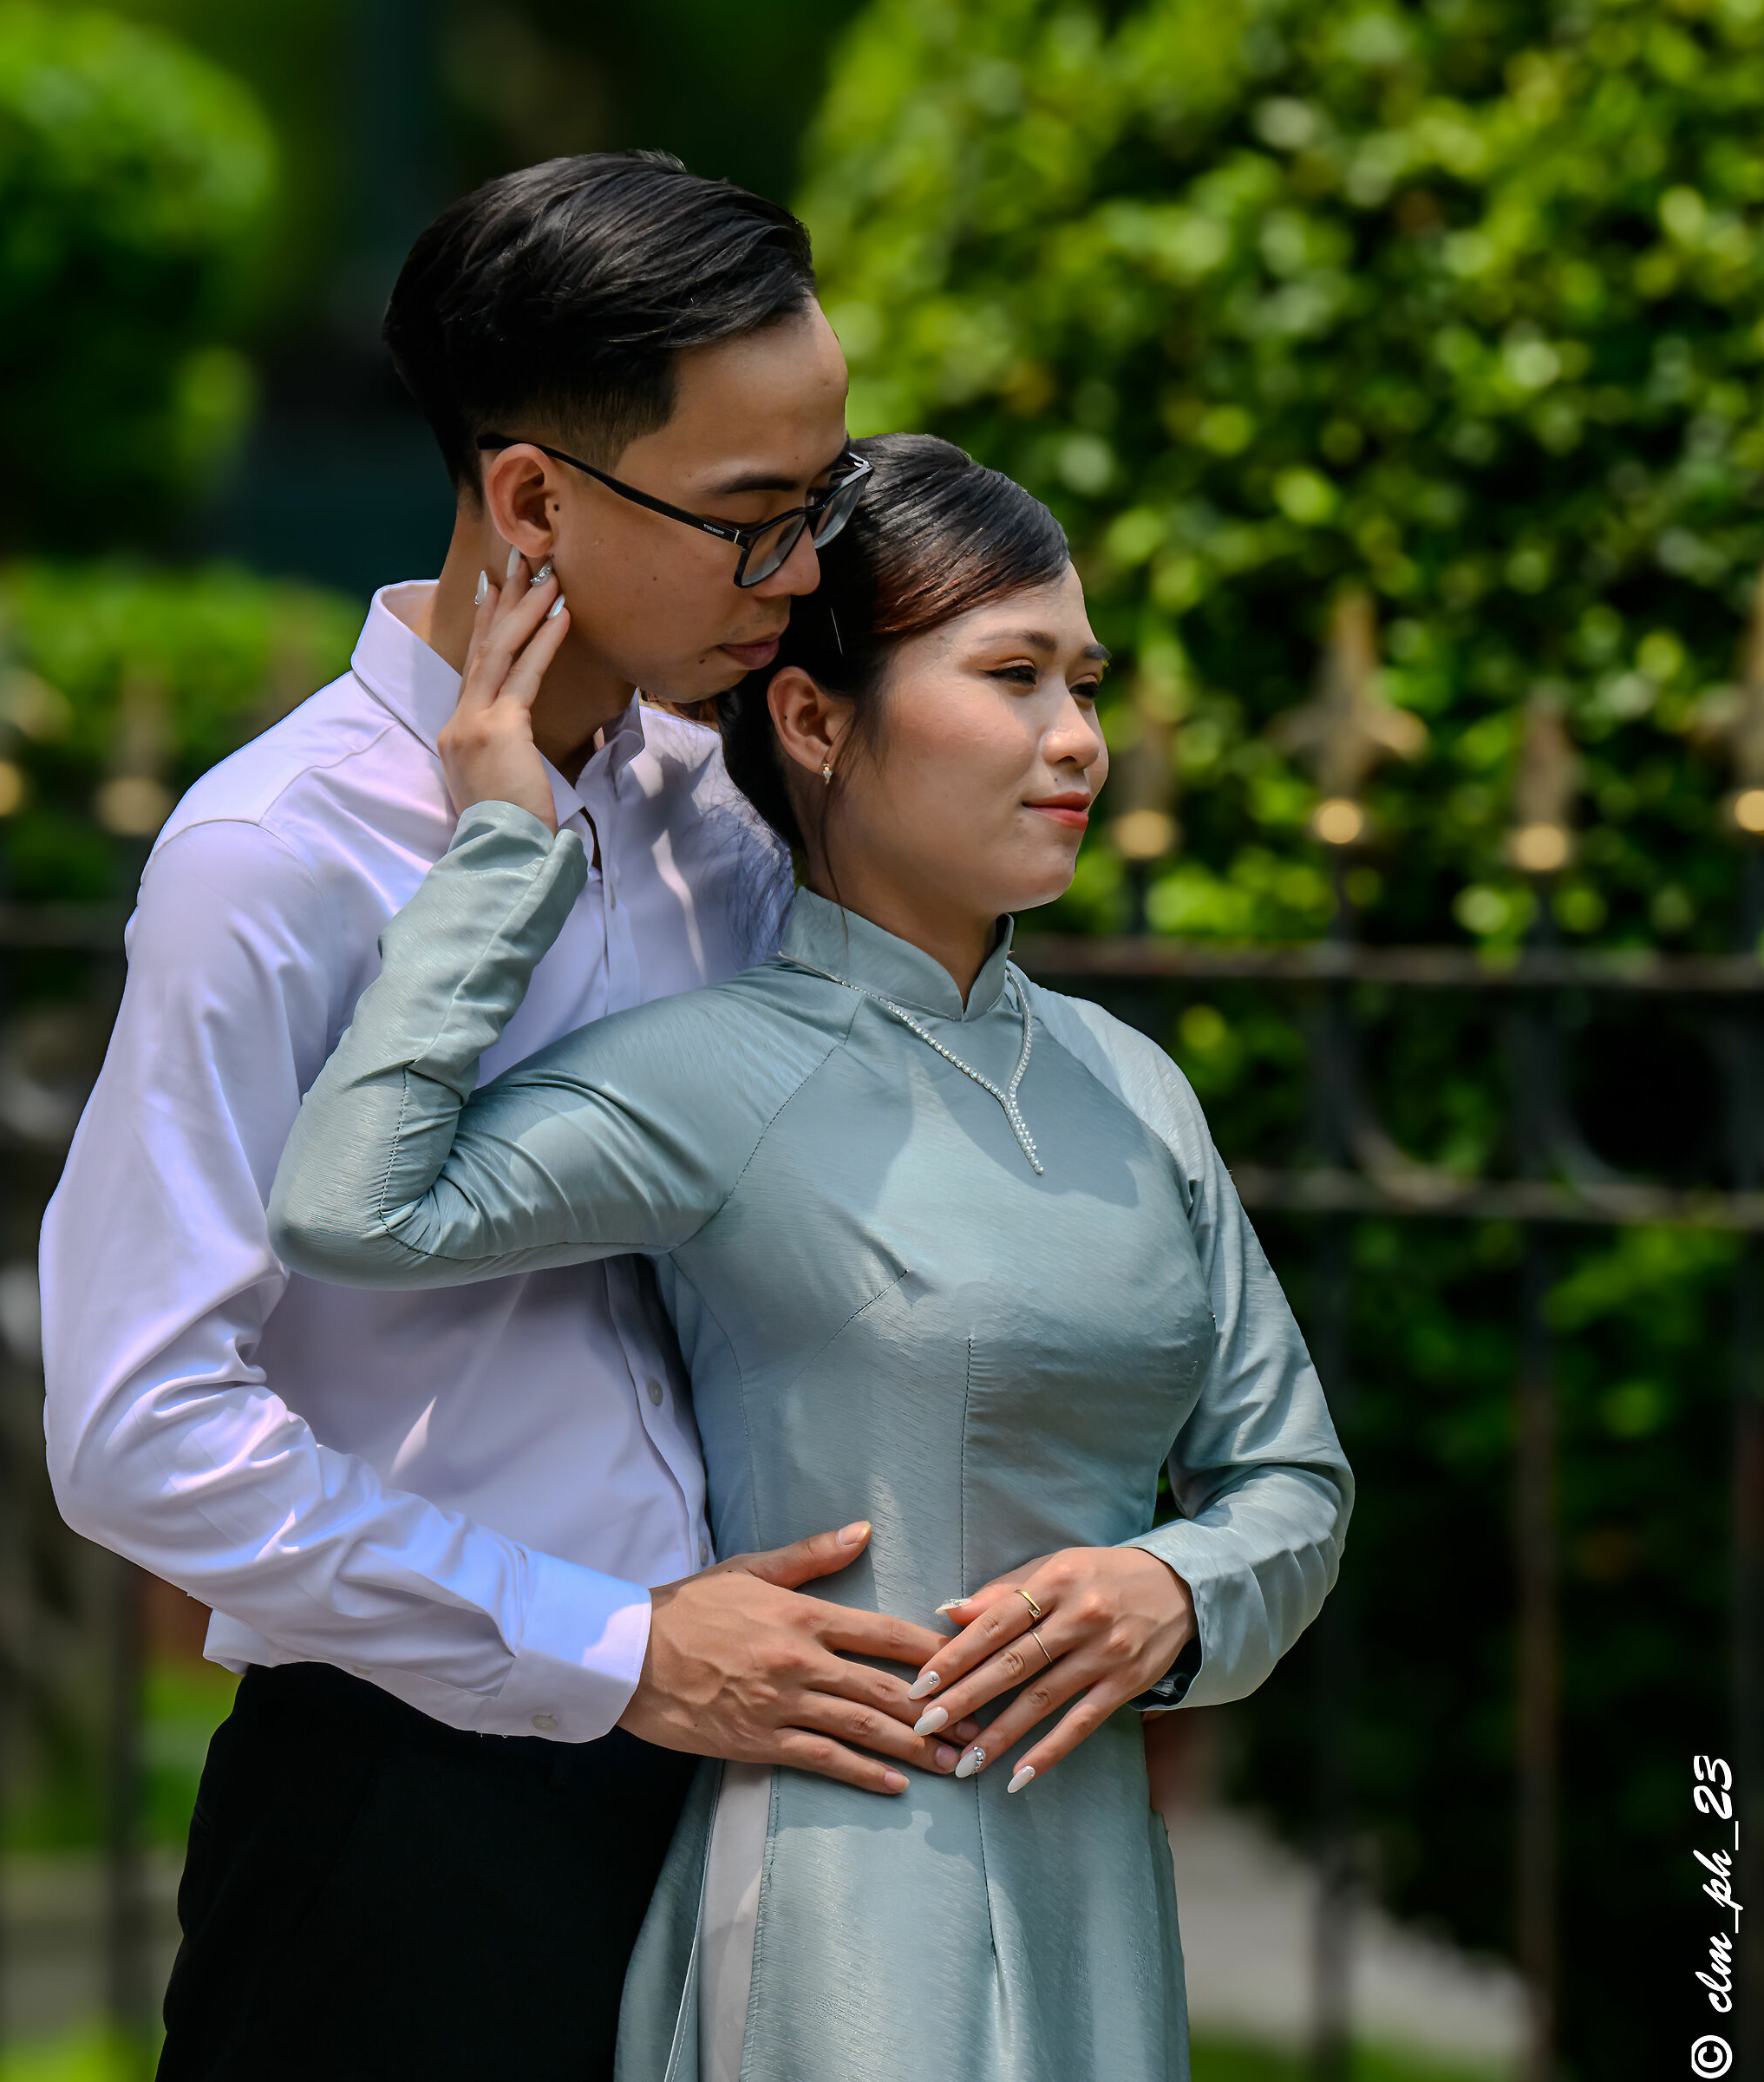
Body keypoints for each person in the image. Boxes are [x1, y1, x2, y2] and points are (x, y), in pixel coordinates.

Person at [38, 155, 979, 2082]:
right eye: (746, 521)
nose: (799, 577)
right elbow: (138, 1431)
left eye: (821, 505)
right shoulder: (272, 855)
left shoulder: (723, 818)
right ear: (532, 499)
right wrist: (617, 1647)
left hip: (769, 1793)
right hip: (416, 1822)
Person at [266, 433, 1356, 2082]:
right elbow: (355, 1205)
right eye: (1012, 677)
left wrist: (1172, 1588)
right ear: (813, 718)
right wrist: (501, 853)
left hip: (1097, 1900)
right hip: (842, 1901)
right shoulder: (716, 1072)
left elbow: (1291, 1477)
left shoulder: (1132, 1085)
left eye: (1085, 682)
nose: (1077, 741)